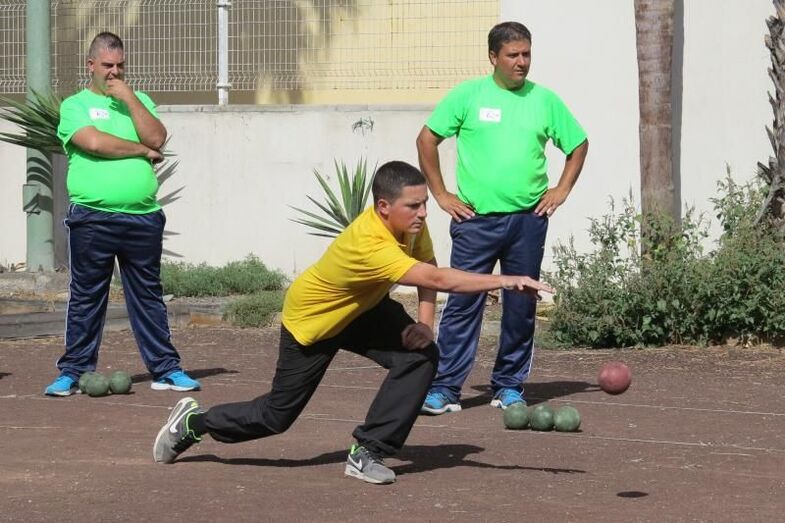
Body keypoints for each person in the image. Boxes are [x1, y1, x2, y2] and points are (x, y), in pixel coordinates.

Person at [152, 161, 552, 484]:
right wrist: (506, 280)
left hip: (363, 309)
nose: (423, 213)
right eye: (414, 206)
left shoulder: (410, 223)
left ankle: (368, 452)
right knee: (276, 416)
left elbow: (427, 265)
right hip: (314, 321)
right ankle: (194, 422)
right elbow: (437, 278)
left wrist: (425, 325)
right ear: (384, 206)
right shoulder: (370, 244)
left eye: (424, 203)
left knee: (421, 355)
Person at [416, 21, 588, 415]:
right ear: (493, 57)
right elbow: (427, 139)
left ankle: (509, 386)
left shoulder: (544, 100)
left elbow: (578, 144)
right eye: (513, 55)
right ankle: (445, 389)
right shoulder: (468, 95)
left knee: (520, 306)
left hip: (528, 221)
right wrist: (441, 194)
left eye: (526, 54)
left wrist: (561, 189)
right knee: (463, 303)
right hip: (475, 222)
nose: (521, 62)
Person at [44, 32, 200, 396]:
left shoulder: (138, 100)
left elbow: (157, 138)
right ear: (91, 65)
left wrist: (129, 98)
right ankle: (73, 372)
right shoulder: (75, 105)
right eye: (107, 65)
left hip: (143, 217)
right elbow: (94, 143)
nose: (114, 72)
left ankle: (166, 369)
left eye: (120, 66)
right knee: (86, 297)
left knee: (148, 295)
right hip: (92, 217)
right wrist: (140, 151)